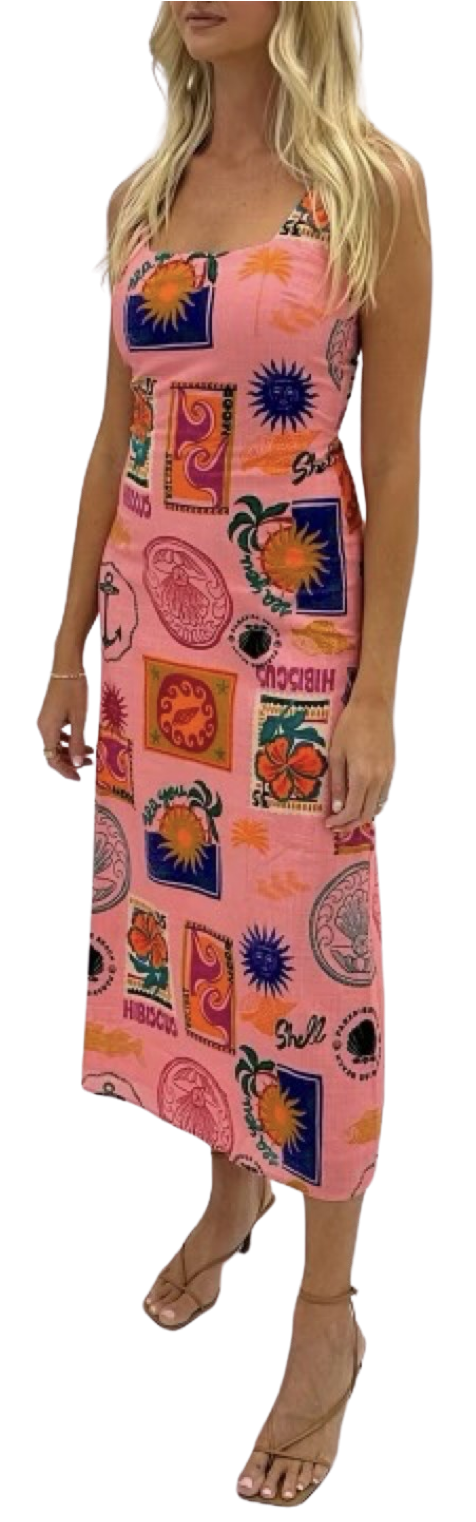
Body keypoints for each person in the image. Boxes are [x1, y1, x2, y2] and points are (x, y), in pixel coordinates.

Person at [35, 1, 433, 1505]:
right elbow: (116, 431)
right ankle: (230, 1194)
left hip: (291, 641)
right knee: (193, 947)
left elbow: (392, 454)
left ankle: (329, 1316)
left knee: (313, 976)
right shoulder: (148, 188)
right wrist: (68, 648)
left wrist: (375, 691)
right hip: (156, 644)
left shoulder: (370, 185)